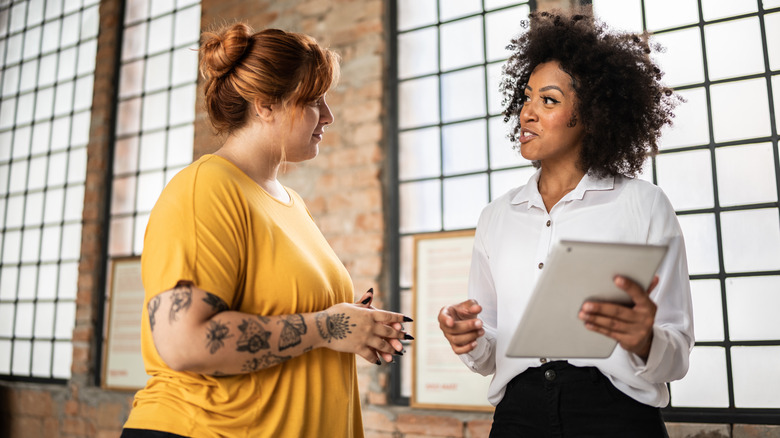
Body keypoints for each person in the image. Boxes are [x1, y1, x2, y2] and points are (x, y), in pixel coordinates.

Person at [121, 23, 412, 438]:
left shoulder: (292, 204)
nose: (328, 115)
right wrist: (329, 327)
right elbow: (184, 343)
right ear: (264, 105)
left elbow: (298, 316)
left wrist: (353, 325)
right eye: (313, 101)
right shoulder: (206, 188)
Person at [438, 8, 694, 437]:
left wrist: (644, 339)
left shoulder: (643, 205)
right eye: (526, 97)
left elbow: (677, 353)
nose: (527, 113)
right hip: (518, 416)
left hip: (615, 413)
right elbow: (491, 355)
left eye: (549, 100)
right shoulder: (496, 217)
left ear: (592, 114)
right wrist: (470, 338)